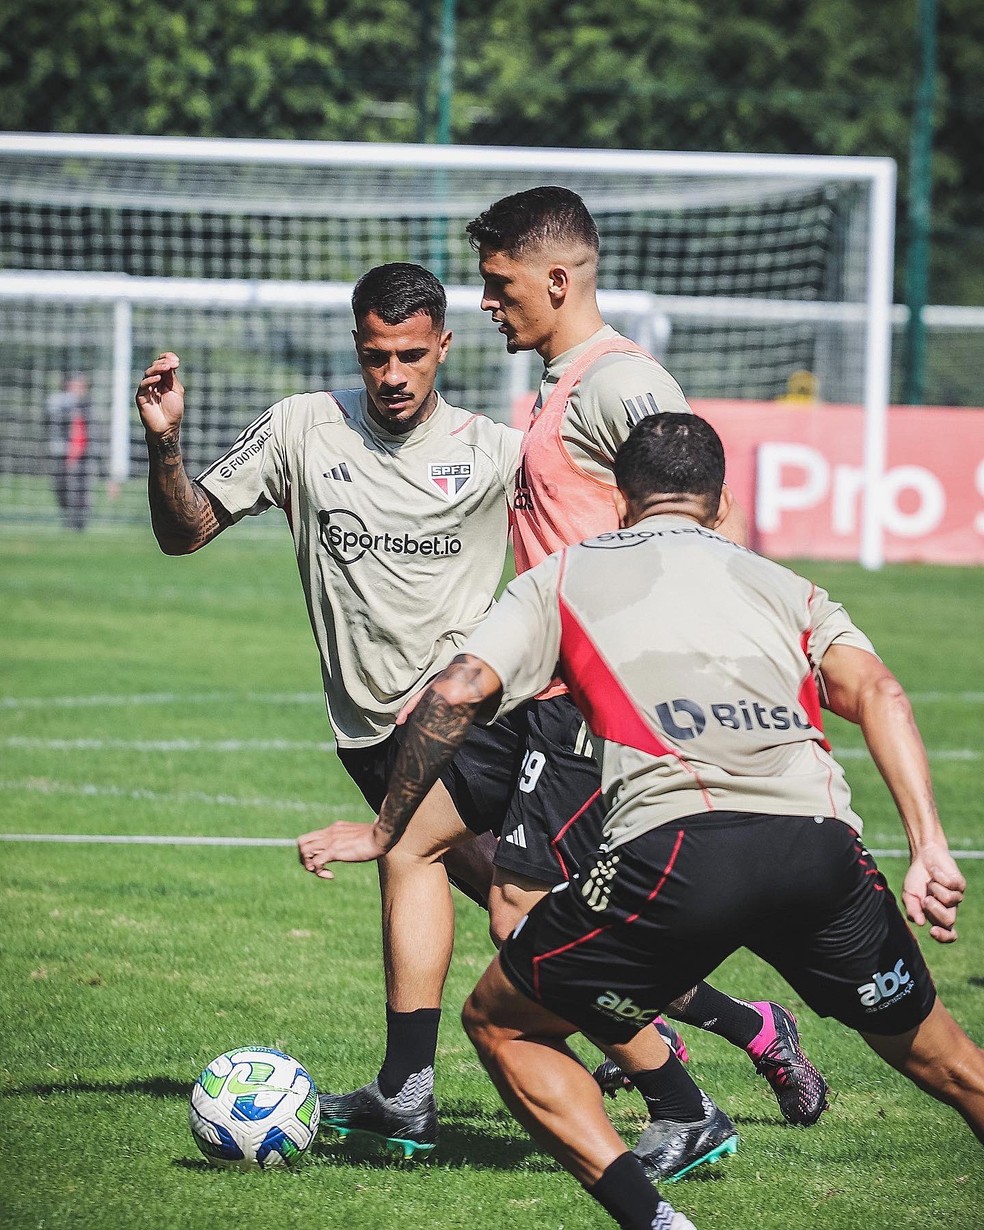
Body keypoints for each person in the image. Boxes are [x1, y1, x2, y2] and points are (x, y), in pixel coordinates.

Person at [311, 412, 984, 1230]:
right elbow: (879, 692)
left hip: (679, 852)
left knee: (502, 1021)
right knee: (953, 1067)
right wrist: (929, 848)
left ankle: (658, 1221)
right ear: (722, 503)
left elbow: (454, 692)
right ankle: (722, 1064)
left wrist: (387, 830)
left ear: (622, 504)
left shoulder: (564, 576)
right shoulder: (784, 586)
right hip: (823, 850)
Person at [465, 186, 825, 1134]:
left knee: (518, 913)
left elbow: (709, 511)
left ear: (556, 277)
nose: (489, 304)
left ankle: (687, 1100)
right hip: (547, 687)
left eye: (500, 286)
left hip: (598, 691)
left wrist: (717, 652)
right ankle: (405, 1084)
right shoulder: (560, 377)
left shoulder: (624, 382)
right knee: (441, 849)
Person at [45, 372, 92, 530]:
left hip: (82, 456)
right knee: (61, 488)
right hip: (62, 454)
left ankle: (78, 525)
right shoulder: (60, 405)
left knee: (79, 492)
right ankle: (68, 521)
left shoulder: (87, 408)